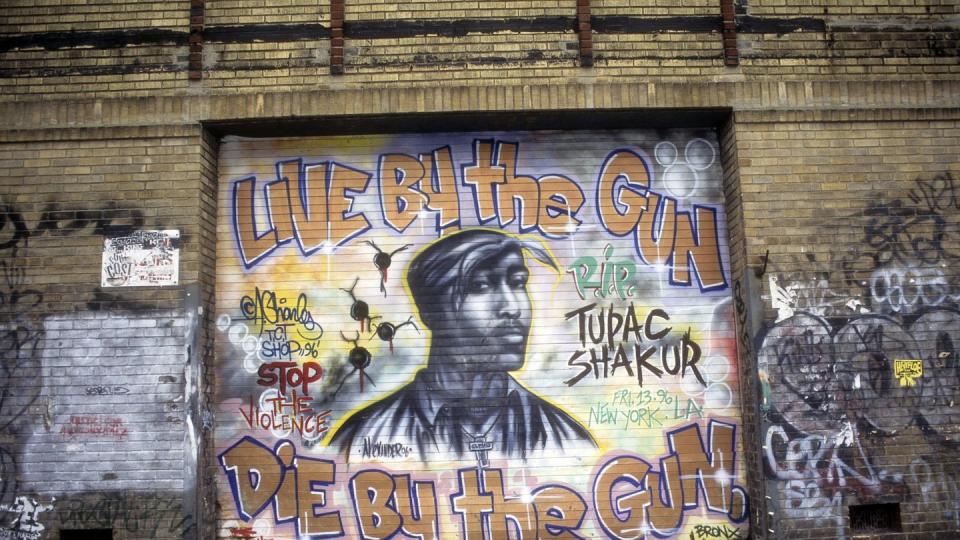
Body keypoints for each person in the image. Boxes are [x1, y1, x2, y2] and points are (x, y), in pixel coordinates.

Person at [328, 228, 596, 463]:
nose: (512, 307)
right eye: (480, 286)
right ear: (430, 311)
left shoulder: (564, 436)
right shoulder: (365, 437)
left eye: (518, 283)